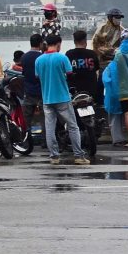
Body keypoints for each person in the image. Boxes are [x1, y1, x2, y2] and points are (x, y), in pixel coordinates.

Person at [36, 35, 90, 164]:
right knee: (73, 126)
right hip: (62, 97)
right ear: (58, 44)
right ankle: (78, 156)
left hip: (47, 99)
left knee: (50, 128)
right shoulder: (62, 58)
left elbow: (38, 77)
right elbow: (70, 76)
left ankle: (54, 156)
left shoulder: (39, 60)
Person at [65, 29, 100, 101]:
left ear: (74, 41)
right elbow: (97, 69)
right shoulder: (92, 54)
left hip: (74, 90)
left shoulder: (69, 54)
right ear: (85, 41)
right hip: (91, 89)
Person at [19, 34, 44, 133]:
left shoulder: (24, 57)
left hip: (29, 90)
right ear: (40, 43)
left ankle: (25, 139)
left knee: (26, 118)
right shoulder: (42, 57)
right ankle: (45, 141)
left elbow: (24, 73)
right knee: (45, 118)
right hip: (42, 91)